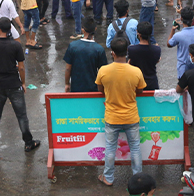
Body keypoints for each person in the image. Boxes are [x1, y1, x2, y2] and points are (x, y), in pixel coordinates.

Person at [0, 18, 40, 154]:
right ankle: (29, 143)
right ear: (10, 29)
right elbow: (21, 67)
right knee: (22, 116)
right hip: (14, 84)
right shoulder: (16, 45)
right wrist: (23, 83)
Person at [96, 37, 146, 186]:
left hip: (112, 117)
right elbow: (141, 91)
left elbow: (100, 89)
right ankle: (138, 179)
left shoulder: (104, 70)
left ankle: (108, 178)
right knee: (135, 148)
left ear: (112, 53)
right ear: (127, 52)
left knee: (110, 148)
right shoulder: (136, 71)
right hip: (131, 116)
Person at [64, 18, 107, 92]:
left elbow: (68, 69)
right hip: (93, 89)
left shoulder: (73, 46)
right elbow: (103, 72)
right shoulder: (99, 49)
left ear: (82, 30)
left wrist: (67, 84)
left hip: (76, 89)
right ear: (95, 29)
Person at [168, 7, 194, 79]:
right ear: (193, 18)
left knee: (183, 88)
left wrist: (173, 30)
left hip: (183, 68)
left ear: (181, 19)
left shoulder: (178, 35)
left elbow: (169, 44)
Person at [127, 21, 161, 90]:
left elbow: (129, 63)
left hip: (136, 83)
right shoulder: (157, 49)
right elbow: (157, 60)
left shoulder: (131, 49)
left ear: (139, 34)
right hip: (152, 82)